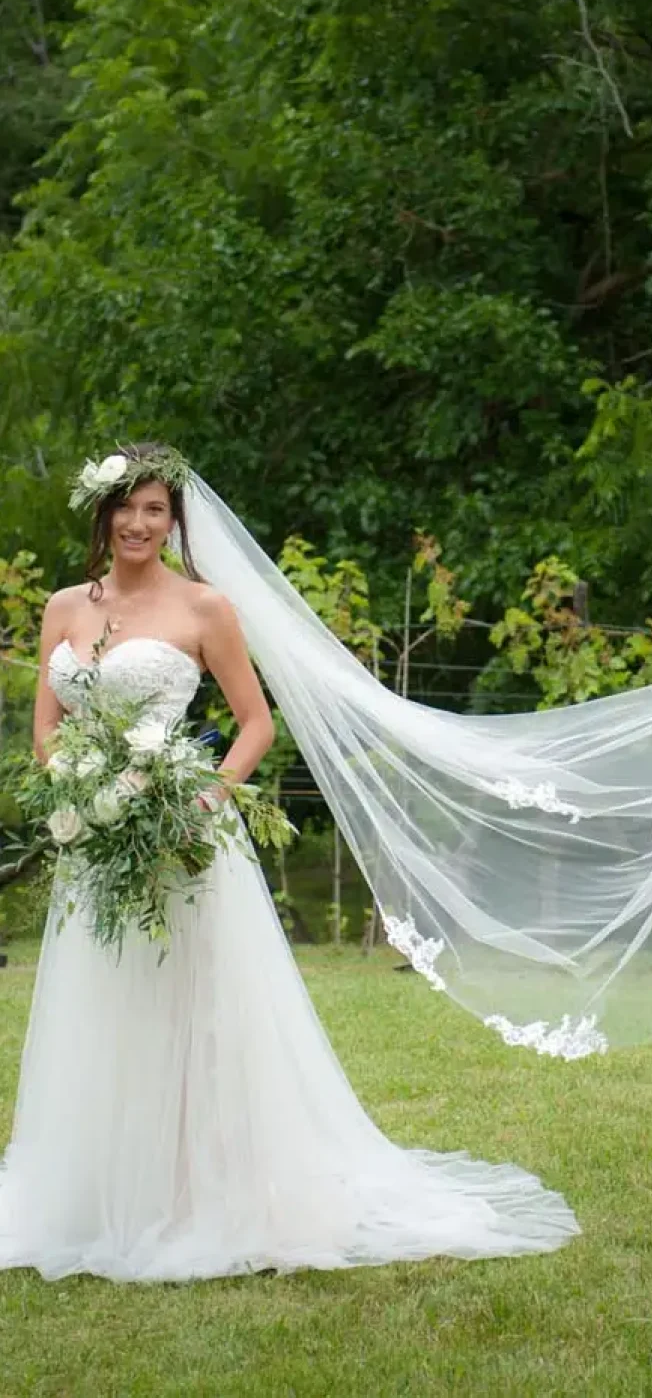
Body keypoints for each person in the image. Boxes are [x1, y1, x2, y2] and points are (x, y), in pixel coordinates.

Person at [0, 443, 579, 1282]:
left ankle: (208, 1196)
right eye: (126, 508)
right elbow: (46, 736)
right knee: (105, 1011)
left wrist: (201, 798)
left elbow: (254, 724)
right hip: (95, 844)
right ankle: (98, 1193)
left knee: (195, 1014)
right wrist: (81, 795)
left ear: (174, 522)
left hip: (185, 839)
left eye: (155, 510)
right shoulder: (61, 607)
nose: (137, 523)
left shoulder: (206, 609)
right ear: (102, 513)